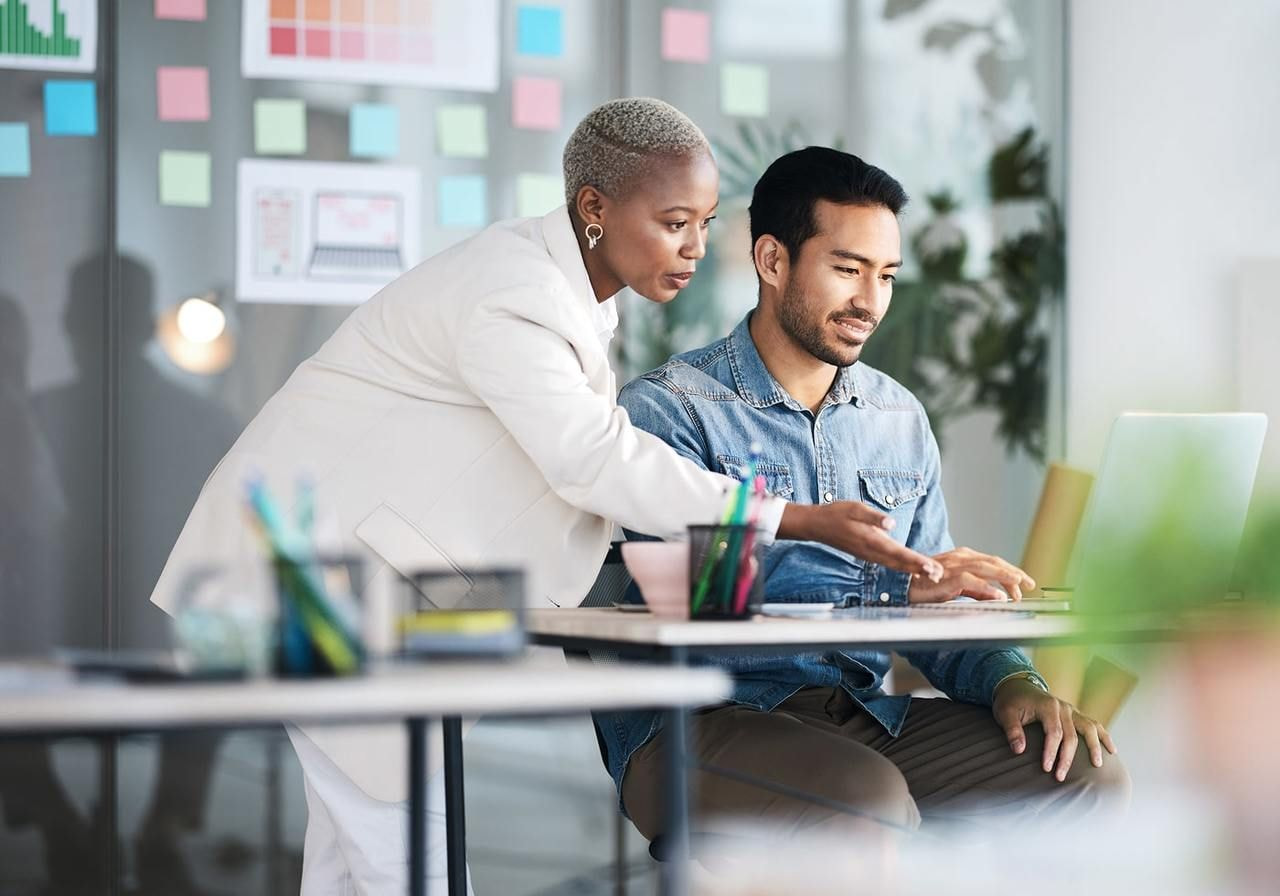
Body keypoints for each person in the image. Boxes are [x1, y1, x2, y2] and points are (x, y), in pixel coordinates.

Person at [150, 100, 945, 894]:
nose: (696, 248)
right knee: (411, 863)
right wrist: (796, 518)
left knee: (355, 861)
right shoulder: (515, 292)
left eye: (704, 223)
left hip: (344, 588)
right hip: (304, 586)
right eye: (674, 222)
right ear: (594, 208)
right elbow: (590, 457)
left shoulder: (566, 297)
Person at [596, 147, 1130, 855]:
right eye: (848, 270)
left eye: (886, 276)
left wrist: (1012, 679)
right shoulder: (672, 410)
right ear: (772, 260)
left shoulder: (897, 418)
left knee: (1085, 775)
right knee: (866, 802)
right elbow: (702, 604)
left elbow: (937, 600)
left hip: (862, 717)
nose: (870, 302)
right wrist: (890, 582)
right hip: (699, 722)